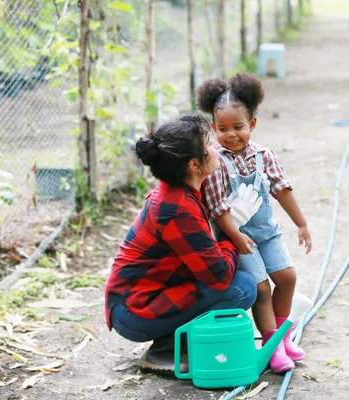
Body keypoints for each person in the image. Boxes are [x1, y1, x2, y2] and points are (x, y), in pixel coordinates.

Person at [104, 114, 258, 374]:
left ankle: (173, 341)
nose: (216, 146)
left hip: (145, 296)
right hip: (133, 311)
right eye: (209, 144)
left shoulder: (181, 189)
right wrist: (233, 232)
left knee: (239, 282)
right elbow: (218, 275)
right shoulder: (178, 208)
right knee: (242, 288)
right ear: (195, 164)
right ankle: (166, 348)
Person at [199, 73, 313, 373]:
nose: (231, 134)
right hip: (236, 237)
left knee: (287, 277)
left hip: (267, 234)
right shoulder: (215, 162)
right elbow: (217, 208)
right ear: (214, 129)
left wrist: (301, 224)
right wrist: (235, 237)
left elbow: (282, 190)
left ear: (252, 124)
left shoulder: (264, 155)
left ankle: (283, 339)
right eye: (222, 129)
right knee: (260, 289)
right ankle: (270, 346)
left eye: (238, 127)